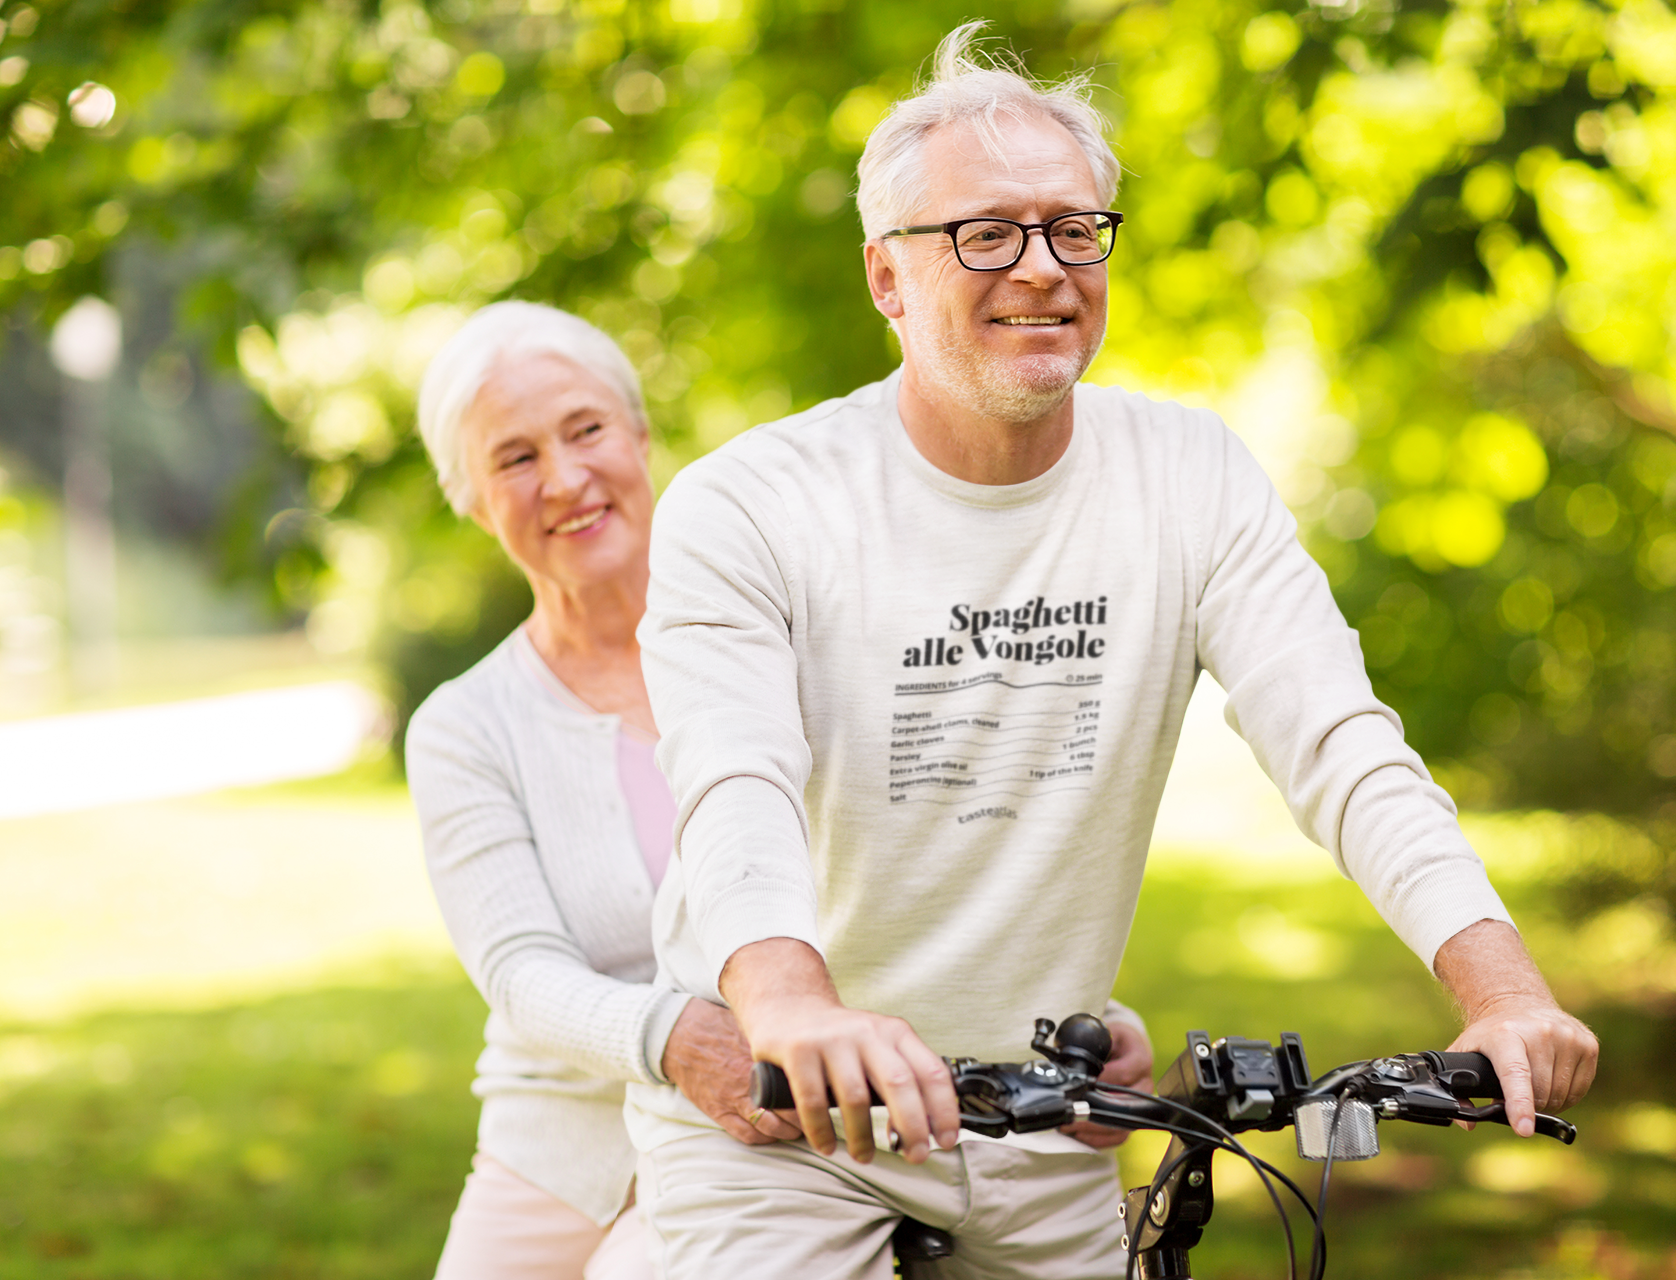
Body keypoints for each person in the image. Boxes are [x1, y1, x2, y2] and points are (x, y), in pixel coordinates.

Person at [631, 24, 1600, 1279]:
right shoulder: (752, 503)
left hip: (1045, 1115)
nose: (1040, 267)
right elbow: (732, 784)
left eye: (1073, 228)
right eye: (985, 232)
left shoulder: (1189, 477)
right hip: (790, 1120)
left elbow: (1341, 744)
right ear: (887, 278)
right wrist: (790, 1008)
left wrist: (1506, 991)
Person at [403, 301, 803, 1280]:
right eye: (515, 456)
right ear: (469, 497)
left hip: (775, 1109)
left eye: (586, 429)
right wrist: (670, 1036)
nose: (567, 477)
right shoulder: (464, 724)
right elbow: (521, 971)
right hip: (561, 1136)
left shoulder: (781, 633)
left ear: (638, 432)